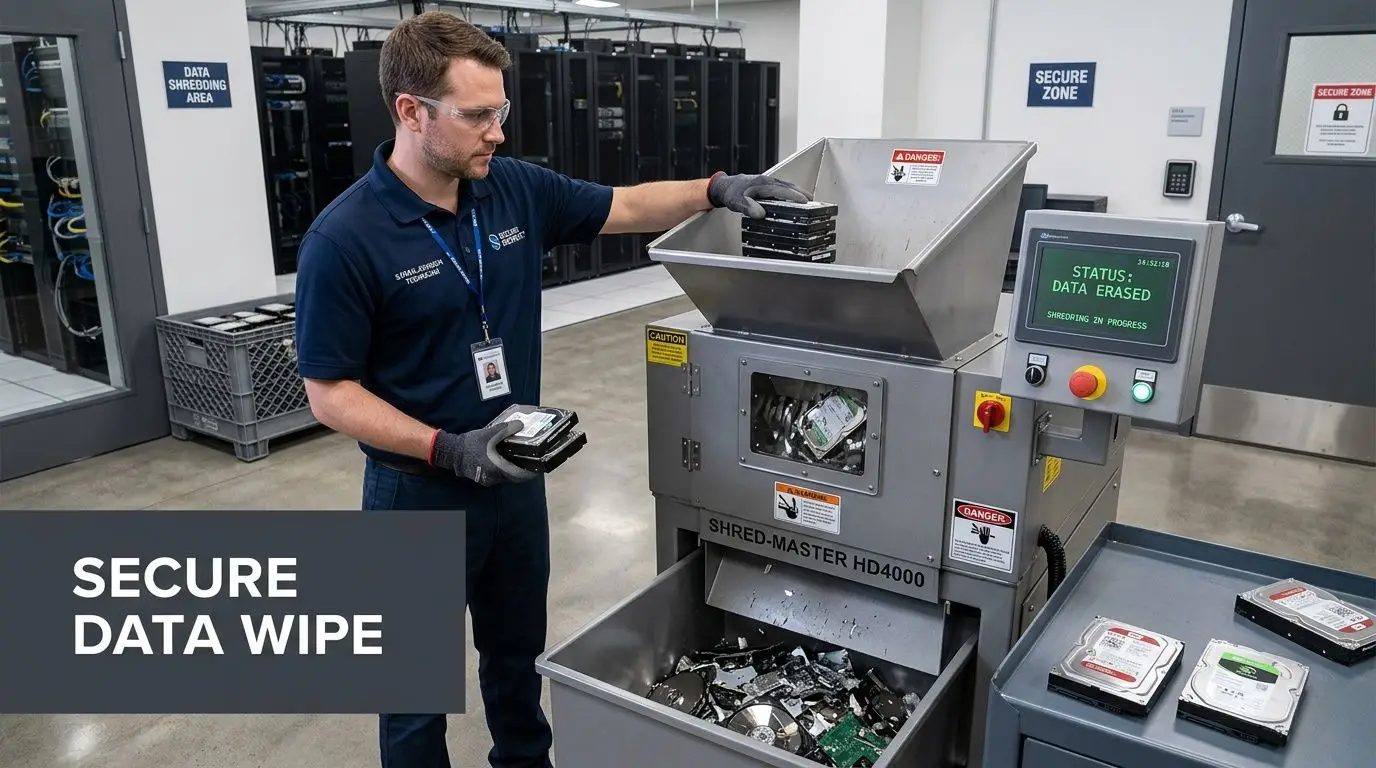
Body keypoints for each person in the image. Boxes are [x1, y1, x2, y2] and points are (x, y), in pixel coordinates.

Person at [292, 11, 809, 768]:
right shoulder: (344, 240)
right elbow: (330, 393)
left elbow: (625, 206)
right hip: (418, 495)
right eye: (476, 115)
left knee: (515, 664)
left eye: (499, 111)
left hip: (515, 483)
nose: (496, 132)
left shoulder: (512, 191)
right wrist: (451, 447)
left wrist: (716, 187)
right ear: (411, 111)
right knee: (411, 699)